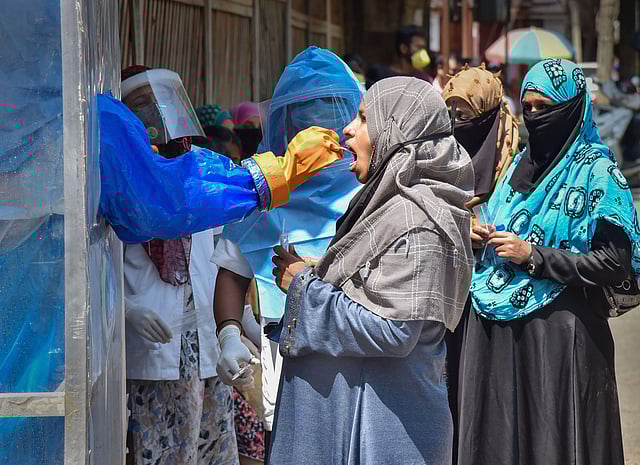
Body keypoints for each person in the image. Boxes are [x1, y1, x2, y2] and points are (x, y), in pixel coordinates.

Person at [269, 76, 475, 464]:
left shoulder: (418, 224)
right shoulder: (386, 208)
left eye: (365, 118)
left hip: (388, 430)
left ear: (397, 132)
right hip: (366, 415)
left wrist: (304, 287)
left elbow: (394, 330)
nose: (348, 129)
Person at [456, 59, 639, 465]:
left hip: (560, 335)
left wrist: (534, 257)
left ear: (573, 109)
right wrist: (480, 237)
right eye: (529, 108)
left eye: (546, 107)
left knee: (555, 441)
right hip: (499, 330)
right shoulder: (519, 166)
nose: (536, 117)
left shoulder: (598, 172)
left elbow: (614, 263)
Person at [210, 46, 362, 462]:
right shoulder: (264, 193)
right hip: (283, 354)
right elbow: (232, 270)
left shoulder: (369, 189)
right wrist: (228, 334)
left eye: (330, 110)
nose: (321, 124)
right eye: (309, 113)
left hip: (355, 353)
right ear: (287, 122)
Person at [120, 65, 240, 465]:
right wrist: (124, 310)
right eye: (143, 105)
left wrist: (236, 327)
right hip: (154, 344)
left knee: (211, 448)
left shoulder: (198, 170)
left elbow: (223, 251)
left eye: (162, 102)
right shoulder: (120, 178)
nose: (157, 114)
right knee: (163, 452)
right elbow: (97, 269)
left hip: (205, 339)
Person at [366, 25, 432, 88]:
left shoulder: (423, 79)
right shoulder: (381, 76)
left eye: (423, 48)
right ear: (403, 48)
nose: (422, 52)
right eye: (418, 47)